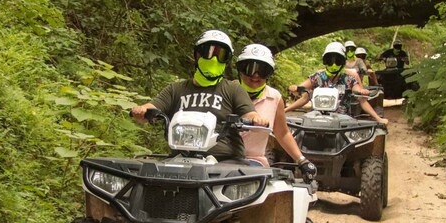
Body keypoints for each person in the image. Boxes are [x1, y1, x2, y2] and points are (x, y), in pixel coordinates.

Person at [131, 30, 269, 161]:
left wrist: (256, 120)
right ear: (197, 55)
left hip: (225, 160)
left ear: (227, 60)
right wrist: (142, 111)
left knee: (243, 182)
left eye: (221, 55)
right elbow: (152, 107)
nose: (214, 58)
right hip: (181, 157)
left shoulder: (233, 89)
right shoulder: (175, 89)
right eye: (208, 52)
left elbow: (249, 114)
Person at [235, 44, 317, 178]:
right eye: (250, 68)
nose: (256, 75)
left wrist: (302, 161)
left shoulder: (274, 97)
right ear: (240, 69)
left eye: (263, 70)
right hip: (221, 157)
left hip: (254, 161)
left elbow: (283, 133)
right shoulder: (228, 90)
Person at [285, 42, 388, 125]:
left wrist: (378, 118)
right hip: (315, 118)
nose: (333, 65)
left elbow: (360, 96)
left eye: (337, 61)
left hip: (342, 120)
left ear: (342, 62)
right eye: (330, 61)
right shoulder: (317, 77)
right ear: (325, 61)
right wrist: (294, 90)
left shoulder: (348, 79)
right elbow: (303, 93)